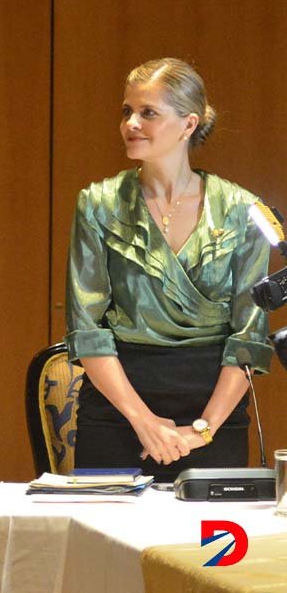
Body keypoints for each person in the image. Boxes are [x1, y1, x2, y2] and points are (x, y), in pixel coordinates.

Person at [65, 57, 272, 481]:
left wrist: (203, 429)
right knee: (106, 545)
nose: (131, 123)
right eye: (127, 111)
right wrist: (144, 421)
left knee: (205, 547)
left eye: (148, 113)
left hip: (214, 411)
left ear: (188, 123)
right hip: (118, 408)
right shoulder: (98, 203)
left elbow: (248, 336)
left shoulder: (243, 210)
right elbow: (86, 327)